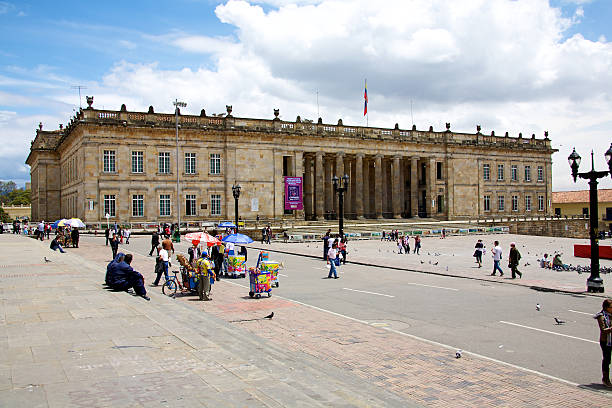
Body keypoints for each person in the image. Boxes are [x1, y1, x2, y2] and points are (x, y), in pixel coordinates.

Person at [594, 299, 612, 387]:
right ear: (606, 308)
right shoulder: (601, 316)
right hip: (606, 341)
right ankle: (605, 379)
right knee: (607, 359)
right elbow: (603, 330)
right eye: (611, 307)